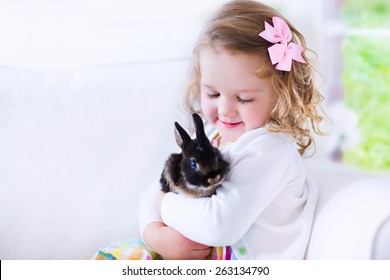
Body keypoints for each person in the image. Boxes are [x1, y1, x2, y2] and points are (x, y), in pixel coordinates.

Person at [94, 0, 325, 260]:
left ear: (281, 95)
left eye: (244, 98)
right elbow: (155, 189)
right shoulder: (211, 137)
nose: (225, 109)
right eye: (212, 93)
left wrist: (164, 204)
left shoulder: (269, 148)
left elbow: (218, 226)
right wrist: (154, 235)